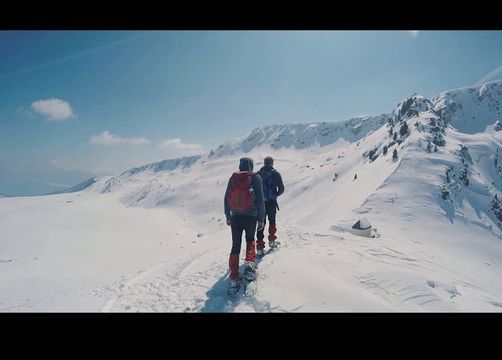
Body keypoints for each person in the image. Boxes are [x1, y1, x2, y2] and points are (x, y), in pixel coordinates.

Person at [224, 157, 265, 294]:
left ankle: (234, 277)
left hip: (235, 216)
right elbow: (260, 200)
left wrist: (228, 216)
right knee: (250, 240)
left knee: (235, 244)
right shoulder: (255, 178)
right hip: (251, 216)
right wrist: (261, 219)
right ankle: (249, 267)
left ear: (240, 165)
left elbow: (226, 198)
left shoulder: (233, 178)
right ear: (251, 166)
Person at [256, 156, 285, 256]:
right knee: (272, 221)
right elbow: (281, 189)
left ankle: (259, 247)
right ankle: (272, 241)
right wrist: (274, 195)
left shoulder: (258, 174)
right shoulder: (276, 174)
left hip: (260, 203)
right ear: (272, 163)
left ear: (264, 163)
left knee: (261, 223)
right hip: (272, 202)